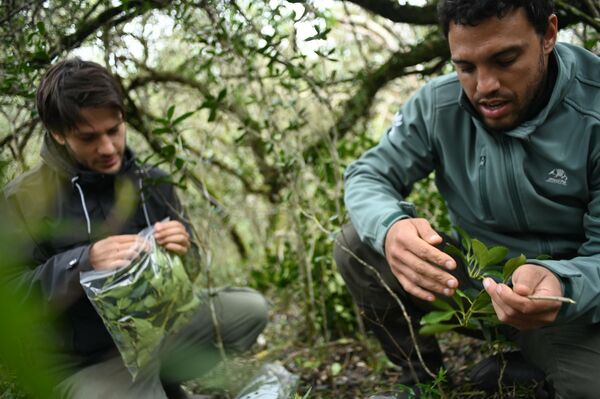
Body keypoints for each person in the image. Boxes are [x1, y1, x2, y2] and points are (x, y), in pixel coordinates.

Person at [334, 0, 600, 398]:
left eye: (505, 59)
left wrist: (564, 284)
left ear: (548, 34)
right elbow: (368, 174)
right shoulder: (437, 106)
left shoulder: (593, 108)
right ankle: (421, 380)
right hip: (477, 290)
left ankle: (527, 368)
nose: (485, 86)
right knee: (356, 244)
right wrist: (392, 228)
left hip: (568, 303)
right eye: (466, 67)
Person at [2, 58, 269, 399]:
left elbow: (191, 268)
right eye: (89, 137)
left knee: (247, 311)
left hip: (162, 334)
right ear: (58, 133)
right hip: (89, 362)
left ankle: (164, 383)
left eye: (114, 130)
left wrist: (184, 249)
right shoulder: (22, 201)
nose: (108, 147)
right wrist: (81, 263)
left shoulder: (150, 182)